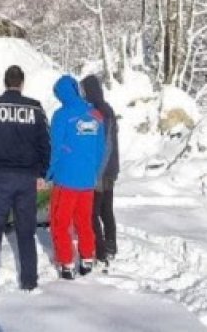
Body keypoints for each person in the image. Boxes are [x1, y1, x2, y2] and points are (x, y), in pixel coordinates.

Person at [0, 65, 50, 307]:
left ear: (5, 82)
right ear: (22, 83)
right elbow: (45, 144)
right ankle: (29, 281)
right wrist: (43, 173)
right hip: (26, 179)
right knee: (26, 232)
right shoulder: (35, 108)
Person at [46, 74, 105, 279]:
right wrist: (93, 172)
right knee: (84, 220)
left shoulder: (61, 115)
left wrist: (49, 172)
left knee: (60, 222)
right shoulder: (96, 115)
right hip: (87, 180)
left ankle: (66, 263)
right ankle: (87, 258)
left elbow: (54, 148)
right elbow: (100, 150)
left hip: (65, 180)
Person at [81, 74, 119, 269]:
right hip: (111, 169)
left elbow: (104, 146)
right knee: (106, 210)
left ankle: (101, 249)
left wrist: (97, 172)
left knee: (92, 212)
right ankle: (111, 244)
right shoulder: (108, 109)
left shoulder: (97, 112)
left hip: (100, 171)